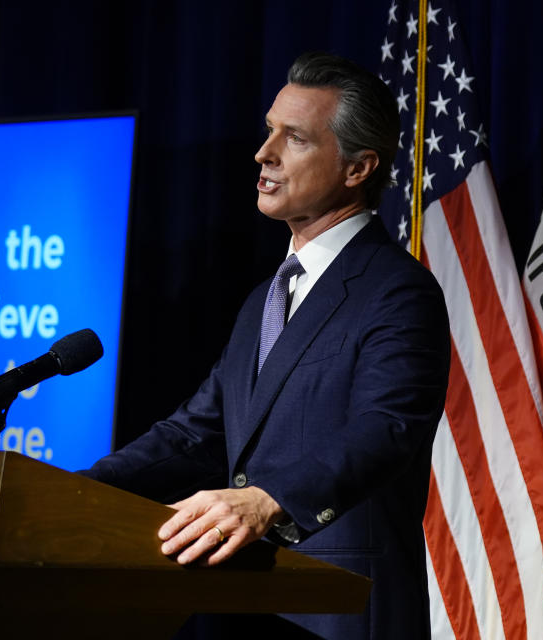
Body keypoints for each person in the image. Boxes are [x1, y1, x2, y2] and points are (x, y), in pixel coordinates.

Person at [82, 52, 451, 639]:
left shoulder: (398, 291)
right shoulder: (264, 298)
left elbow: (387, 429)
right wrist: (80, 491)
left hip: (341, 611)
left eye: (294, 138)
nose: (264, 153)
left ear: (357, 169)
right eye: (268, 130)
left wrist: (268, 498)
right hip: (244, 604)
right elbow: (195, 433)